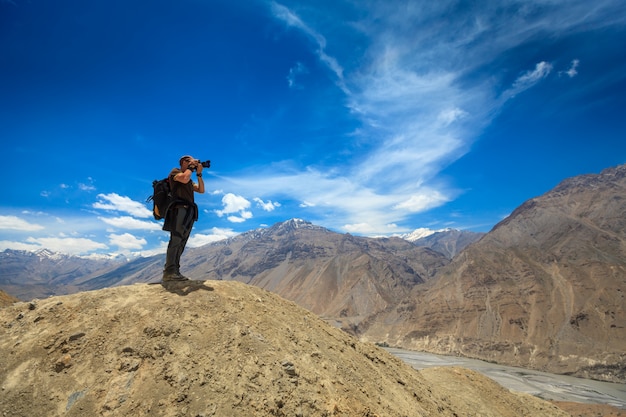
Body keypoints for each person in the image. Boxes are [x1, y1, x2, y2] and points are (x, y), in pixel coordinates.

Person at [162, 155, 205, 282]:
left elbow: (201, 190)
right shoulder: (175, 172)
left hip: (188, 211)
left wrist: (199, 174)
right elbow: (185, 179)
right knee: (176, 239)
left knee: (182, 241)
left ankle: (175, 271)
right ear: (182, 162)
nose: (192, 162)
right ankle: (169, 271)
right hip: (179, 209)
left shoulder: (189, 177)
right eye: (189, 161)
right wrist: (191, 168)